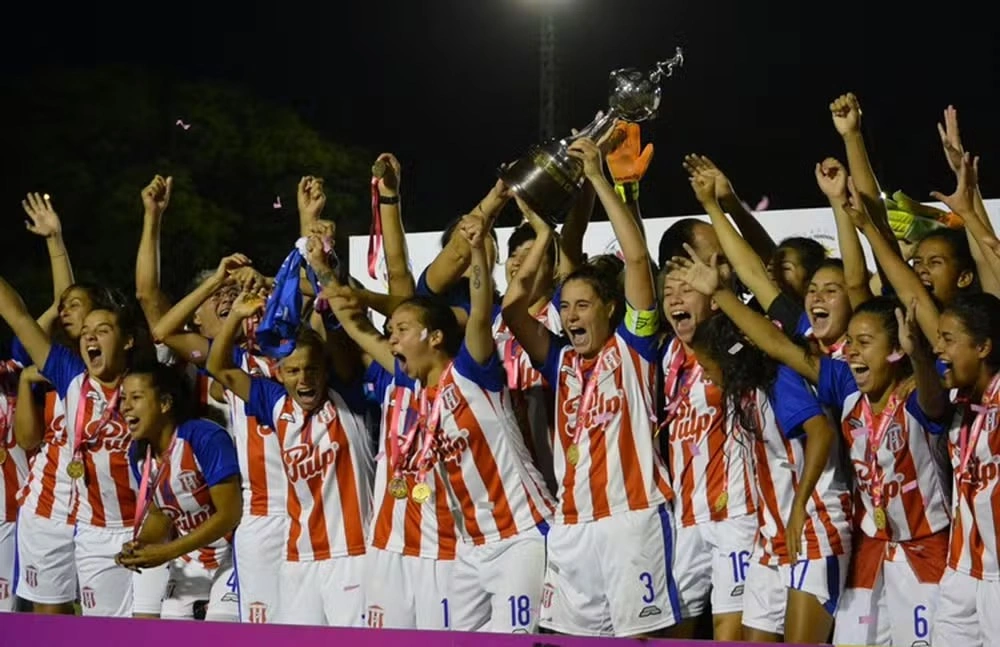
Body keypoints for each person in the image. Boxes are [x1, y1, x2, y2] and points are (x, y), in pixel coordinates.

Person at [319, 213, 553, 632]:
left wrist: (478, 250)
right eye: (390, 331)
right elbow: (359, 332)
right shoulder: (413, 389)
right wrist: (323, 271)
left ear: (436, 337)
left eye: (402, 329)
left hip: (519, 534)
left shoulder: (472, 373)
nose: (391, 338)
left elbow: (480, 311)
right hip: (468, 549)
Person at [503, 137, 678, 637]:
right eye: (566, 306)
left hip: (631, 518)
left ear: (609, 309)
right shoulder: (559, 361)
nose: (571, 315)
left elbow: (639, 262)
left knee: (638, 637)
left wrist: (600, 179)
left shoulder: (633, 349)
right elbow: (514, 311)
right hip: (572, 522)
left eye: (583, 305)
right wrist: (541, 233)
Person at [207, 299, 373, 628]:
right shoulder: (275, 403)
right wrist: (237, 317)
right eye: (293, 370)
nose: (304, 378)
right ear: (279, 373)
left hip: (351, 555)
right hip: (298, 558)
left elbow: (342, 353)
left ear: (325, 371)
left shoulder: (347, 399)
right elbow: (219, 367)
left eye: (311, 369)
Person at [115, 362, 242, 621]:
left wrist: (168, 551)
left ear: (165, 404)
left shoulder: (205, 438)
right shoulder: (138, 453)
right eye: (123, 398)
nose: (125, 406)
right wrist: (141, 545)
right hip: (190, 558)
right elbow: (161, 514)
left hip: (233, 556)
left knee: (220, 633)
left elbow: (230, 514)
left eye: (136, 397)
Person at [930, 294, 1000, 646]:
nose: (938, 349)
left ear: (984, 346)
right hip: (960, 569)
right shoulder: (959, 402)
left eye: (948, 339)